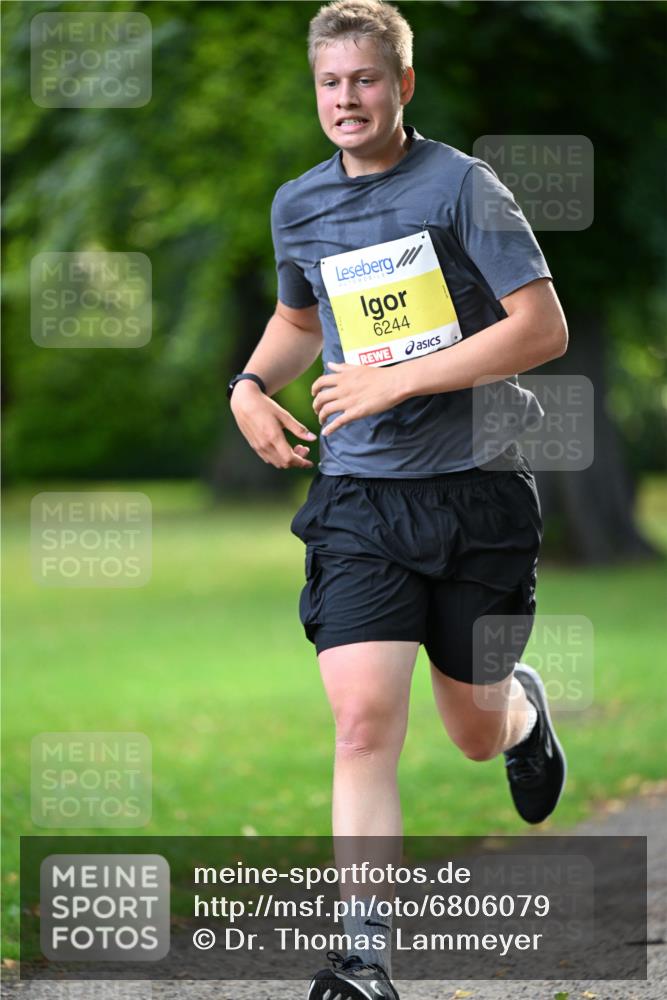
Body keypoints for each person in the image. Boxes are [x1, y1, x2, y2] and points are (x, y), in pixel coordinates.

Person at [228, 2, 568, 997]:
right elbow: (300, 317)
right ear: (315, 89)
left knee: (471, 730)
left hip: (477, 495)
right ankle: (365, 958)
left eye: (365, 79)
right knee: (363, 722)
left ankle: (523, 714)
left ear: (401, 85)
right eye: (331, 82)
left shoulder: (463, 186)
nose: (347, 98)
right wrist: (252, 386)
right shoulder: (299, 204)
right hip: (361, 504)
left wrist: (397, 379)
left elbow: (540, 328)